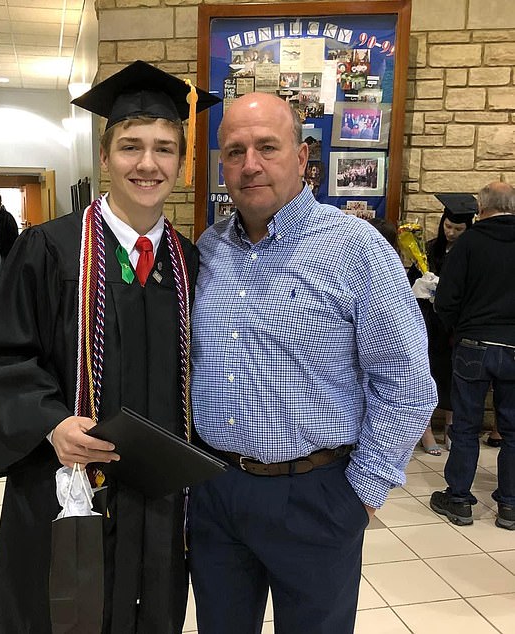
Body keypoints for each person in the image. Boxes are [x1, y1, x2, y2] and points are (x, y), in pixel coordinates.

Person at [0, 61, 219, 633]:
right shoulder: (50, 250)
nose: (147, 164)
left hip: (158, 503)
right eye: (131, 147)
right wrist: (51, 424)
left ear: (181, 162)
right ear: (105, 158)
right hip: (68, 483)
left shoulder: (193, 263)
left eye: (164, 149)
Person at [188, 92, 437, 634]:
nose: (250, 164)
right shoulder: (207, 250)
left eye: (267, 147)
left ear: (302, 159)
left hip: (316, 495)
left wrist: (362, 495)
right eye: (234, 151)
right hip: (215, 493)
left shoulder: (354, 248)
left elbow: (407, 381)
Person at [430, 181, 515, 531]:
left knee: (465, 426)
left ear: (482, 208)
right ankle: (509, 505)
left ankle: (460, 499)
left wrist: (458, 330)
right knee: (513, 430)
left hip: (473, 344)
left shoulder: (469, 243)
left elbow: (445, 300)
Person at [409, 194, 476, 455]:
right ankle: (424, 431)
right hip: (428, 322)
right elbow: (410, 282)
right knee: (427, 372)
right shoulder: (428, 249)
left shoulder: (470, 252)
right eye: (448, 226)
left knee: (451, 373)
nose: (451, 233)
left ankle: (450, 425)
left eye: (458, 229)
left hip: (454, 324)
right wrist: (421, 285)